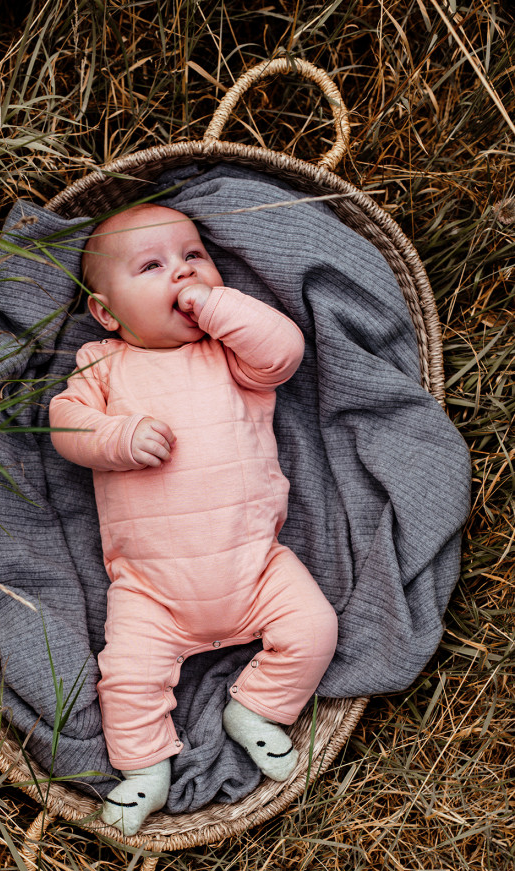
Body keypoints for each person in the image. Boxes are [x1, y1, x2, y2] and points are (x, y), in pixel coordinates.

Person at [49, 204, 338, 835]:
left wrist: (216, 307)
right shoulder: (102, 366)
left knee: (316, 629)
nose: (182, 273)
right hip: (152, 590)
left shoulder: (229, 355)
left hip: (256, 566)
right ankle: (144, 769)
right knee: (125, 676)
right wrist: (116, 438)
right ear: (107, 312)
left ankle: (259, 709)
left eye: (193, 256)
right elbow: (66, 426)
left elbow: (285, 351)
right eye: (153, 266)